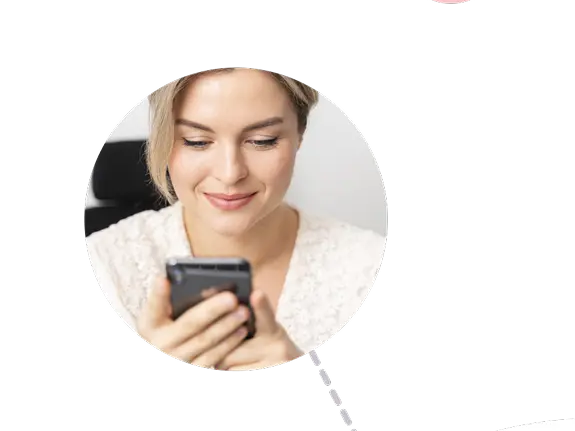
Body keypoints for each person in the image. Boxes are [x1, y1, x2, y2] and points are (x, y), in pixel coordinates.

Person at [85, 66, 386, 370]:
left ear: (300, 134)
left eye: (263, 140)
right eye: (196, 141)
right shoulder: (104, 264)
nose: (230, 174)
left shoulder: (367, 267)